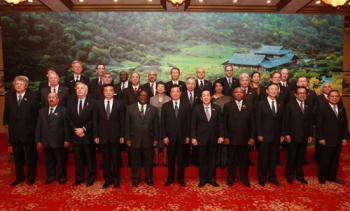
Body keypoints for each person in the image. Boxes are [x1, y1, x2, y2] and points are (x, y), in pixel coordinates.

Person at [3, 75, 39, 186]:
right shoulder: (9, 96)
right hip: (14, 132)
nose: (18, 86)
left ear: (26, 85)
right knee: (17, 156)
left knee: (30, 156)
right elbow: (6, 113)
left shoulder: (33, 96)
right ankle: (19, 176)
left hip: (29, 132)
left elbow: (36, 115)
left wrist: (36, 132)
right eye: (16, 84)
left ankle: (31, 176)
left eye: (21, 84)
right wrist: (6, 126)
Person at [93, 84, 125, 188]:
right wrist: (96, 135)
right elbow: (95, 121)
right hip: (102, 136)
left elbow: (122, 120)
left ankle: (116, 180)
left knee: (115, 159)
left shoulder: (120, 103)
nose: (108, 92)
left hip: (115, 136)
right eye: (106, 90)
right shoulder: (97, 104)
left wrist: (122, 135)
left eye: (110, 90)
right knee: (105, 159)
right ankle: (107, 180)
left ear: (113, 92)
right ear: (103, 92)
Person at [125, 90, 158, 187]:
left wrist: (156, 138)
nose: (143, 97)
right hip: (134, 139)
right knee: (135, 161)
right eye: (141, 95)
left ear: (148, 97)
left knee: (149, 160)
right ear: (138, 97)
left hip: (149, 139)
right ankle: (136, 178)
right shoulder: (130, 109)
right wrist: (127, 138)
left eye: (145, 95)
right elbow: (127, 125)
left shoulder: (153, 109)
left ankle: (148, 178)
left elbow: (156, 125)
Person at [191, 90, 224, 187]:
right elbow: (193, 124)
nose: (206, 97)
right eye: (203, 96)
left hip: (214, 138)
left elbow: (220, 123)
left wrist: (221, 135)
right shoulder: (196, 109)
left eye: (208, 95)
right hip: (201, 139)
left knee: (212, 159)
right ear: (201, 98)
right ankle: (202, 179)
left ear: (211, 97)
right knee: (202, 160)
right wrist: (193, 137)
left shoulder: (217, 108)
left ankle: (212, 179)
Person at [35, 92, 70, 185]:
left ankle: (62, 177)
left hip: (59, 141)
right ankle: (50, 176)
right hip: (45, 141)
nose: (51, 99)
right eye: (49, 97)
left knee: (60, 161)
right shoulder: (42, 111)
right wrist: (38, 140)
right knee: (48, 161)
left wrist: (67, 139)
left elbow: (67, 126)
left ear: (57, 100)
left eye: (53, 97)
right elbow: (38, 126)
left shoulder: (63, 110)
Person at [66, 82, 96, 187]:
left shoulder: (93, 102)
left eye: (82, 88)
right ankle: (79, 178)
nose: (79, 90)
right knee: (78, 159)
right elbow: (68, 118)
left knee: (90, 158)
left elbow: (94, 119)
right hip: (76, 135)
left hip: (88, 135)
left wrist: (83, 129)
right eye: (77, 88)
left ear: (86, 91)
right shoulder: (70, 102)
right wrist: (76, 129)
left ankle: (91, 178)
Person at [223, 87, 255, 187]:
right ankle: (231, 178)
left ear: (244, 94)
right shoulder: (227, 106)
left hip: (245, 139)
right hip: (231, 139)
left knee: (244, 160)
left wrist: (252, 137)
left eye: (240, 92)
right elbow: (224, 123)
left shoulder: (249, 106)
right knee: (231, 160)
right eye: (236, 92)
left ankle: (244, 178)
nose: (238, 94)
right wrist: (226, 137)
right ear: (233, 94)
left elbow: (253, 123)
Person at [161, 85, 191, 187]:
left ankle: (181, 178)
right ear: (170, 93)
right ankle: (170, 178)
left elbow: (188, 122)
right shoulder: (165, 106)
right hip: (170, 138)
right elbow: (163, 123)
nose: (175, 93)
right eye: (173, 91)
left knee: (181, 159)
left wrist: (187, 136)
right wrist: (164, 136)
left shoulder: (186, 105)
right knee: (171, 159)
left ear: (180, 93)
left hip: (182, 137)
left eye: (177, 91)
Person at [317, 90, 348, 184]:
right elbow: (319, 124)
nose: (334, 98)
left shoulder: (342, 109)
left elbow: (345, 125)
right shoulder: (322, 108)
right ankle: (322, 177)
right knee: (325, 159)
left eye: (337, 96)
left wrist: (344, 137)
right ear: (328, 97)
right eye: (332, 96)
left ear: (339, 98)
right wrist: (321, 138)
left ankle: (332, 176)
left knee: (335, 159)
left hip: (338, 139)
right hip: (326, 139)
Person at [284, 86, 313, 184]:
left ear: (306, 95)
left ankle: (300, 175)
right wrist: (287, 134)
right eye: (300, 93)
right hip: (292, 136)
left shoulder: (308, 106)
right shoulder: (289, 105)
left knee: (301, 157)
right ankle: (290, 175)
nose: (302, 95)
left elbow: (310, 123)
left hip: (304, 136)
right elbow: (286, 121)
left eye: (304, 93)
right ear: (296, 94)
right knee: (292, 156)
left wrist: (310, 135)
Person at [256, 83, 284, 187]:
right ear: (267, 91)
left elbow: (283, 120)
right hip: (264, 135)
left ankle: (272, 176)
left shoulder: (281, 103)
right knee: (263, 157)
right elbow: (258, 120)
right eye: (271, 89)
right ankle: (262, 177)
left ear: (278, 91)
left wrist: (282, 134)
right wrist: (259, 133)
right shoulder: (260, 103)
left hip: (277, 136)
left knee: (273, 158)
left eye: (275, 89)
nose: (273, 91)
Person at [150, 82, 171, 166]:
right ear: (156, 88)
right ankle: (156, 160)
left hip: (166, 122)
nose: (160, 88)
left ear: (165, 89)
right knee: (155, 140)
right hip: (155, 122)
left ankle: (165, 160)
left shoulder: (169, 98)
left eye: (162, 86)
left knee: (165, 140)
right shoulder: (152, 99)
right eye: (158, 86)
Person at [212, 81, 232, 168]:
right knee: (214, 143)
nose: (218, 87)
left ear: (223, 87)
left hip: (225, 123)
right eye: (216, 86)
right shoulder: (209, 98)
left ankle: (224, 162)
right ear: (214, 88)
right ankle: (215, 162)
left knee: (224, 143)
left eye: (220, 86)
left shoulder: (228, 98)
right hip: (213, 124)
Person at [181, 76, 200, 166]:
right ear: (186, 84)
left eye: (193, 83)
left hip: (198, 122)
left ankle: (196, 161)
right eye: (189, 83)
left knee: (196, 141)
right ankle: (185, 161)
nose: (190, 85)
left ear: (195, 84)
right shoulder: (181, 94)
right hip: (185, 122)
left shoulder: (199, 94)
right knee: (186, 141)